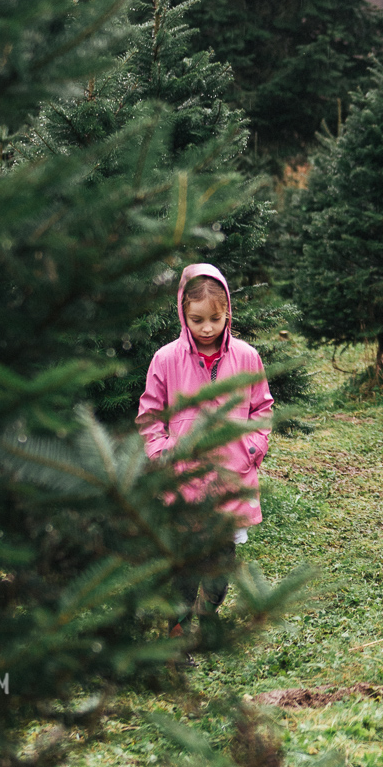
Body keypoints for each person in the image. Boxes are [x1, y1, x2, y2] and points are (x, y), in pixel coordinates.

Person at [136, 263, 273, 623]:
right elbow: (150, 415)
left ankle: (205, 616)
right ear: (183, 314)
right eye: (197, 320)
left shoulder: (246, 357)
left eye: (215, 318)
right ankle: (177, 636)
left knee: (219, 571)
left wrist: (252, 449)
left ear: (228, 311)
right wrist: (162, 454)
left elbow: (262, 408)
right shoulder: (165, 359)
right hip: (184, 483)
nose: (208, 328)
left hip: (230, 479)